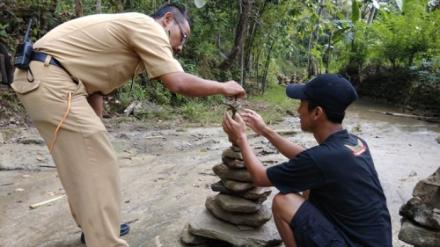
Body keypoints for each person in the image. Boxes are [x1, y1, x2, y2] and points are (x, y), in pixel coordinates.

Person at [11, 4, 245, 247]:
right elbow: (177, 83)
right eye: (182, 36)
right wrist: (222, 86)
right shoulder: (148, 26)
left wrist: (96, 128)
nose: (180, 46)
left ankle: (96, 227)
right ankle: (104, 240)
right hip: (52, 78)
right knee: (98, 163)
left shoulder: (128, 36)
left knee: (82, 162)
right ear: (167, 20)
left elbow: (96, 90)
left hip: (45, 77)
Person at [223, 74, 392, 247]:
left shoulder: (322, 158)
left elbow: (260, 177)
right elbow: (306, 158)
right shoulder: (355, 143)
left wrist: (241, 138)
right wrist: (265, 131)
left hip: (352, 243)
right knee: (310, 187)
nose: (298, 111)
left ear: (317, 112)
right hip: (373, 241)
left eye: (302, 104)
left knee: (283, 201)